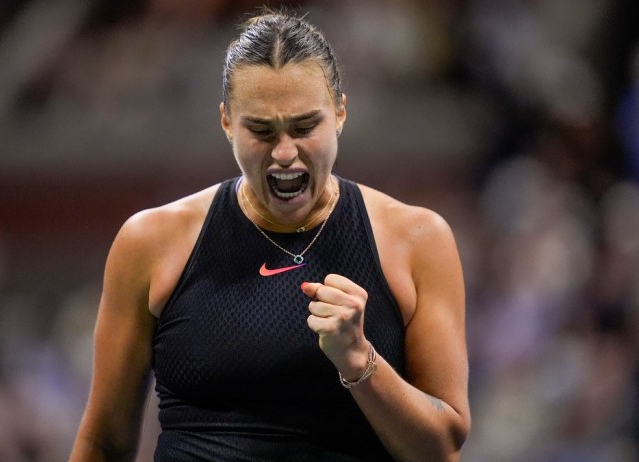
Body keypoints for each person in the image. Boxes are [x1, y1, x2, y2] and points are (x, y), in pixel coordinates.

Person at [70, 8, 470, 462]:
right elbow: (102, 444)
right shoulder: (151, 242)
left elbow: (441, 447)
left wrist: (361, 360)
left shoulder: (417, 240)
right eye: (260, 130)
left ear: (340, 112)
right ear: (226, 123)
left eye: (305, 127)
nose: (284, 153)